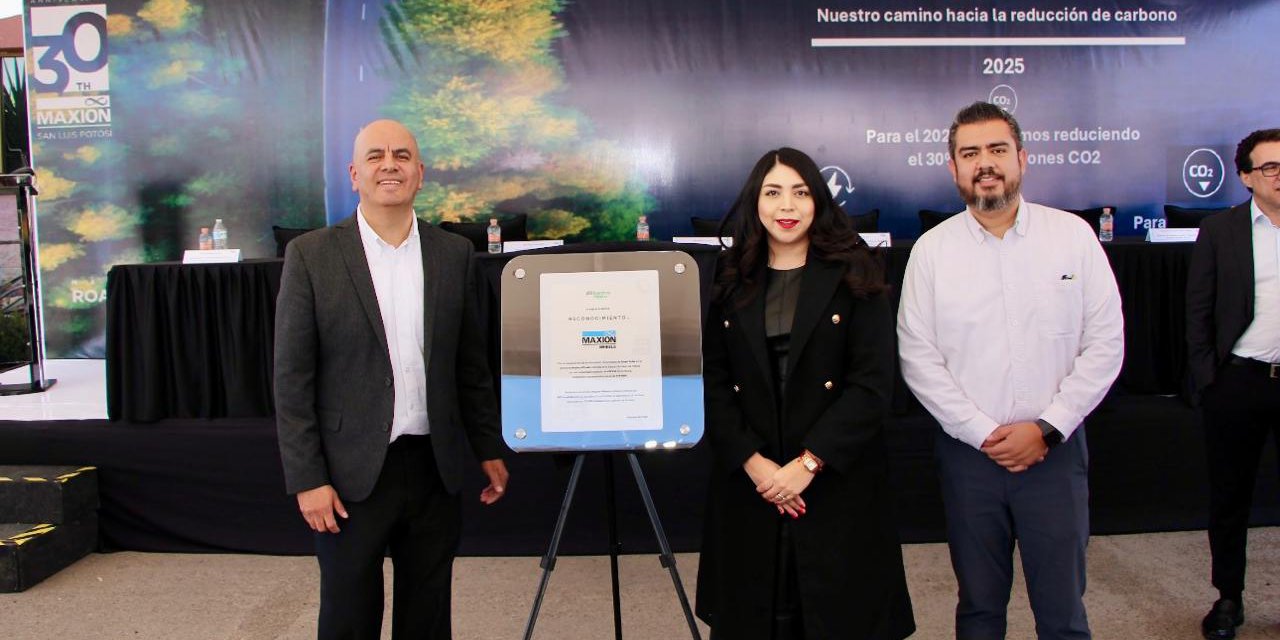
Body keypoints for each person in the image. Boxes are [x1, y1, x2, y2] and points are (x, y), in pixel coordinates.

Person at [274, 119, 510, 639]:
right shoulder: (311, 256)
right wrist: (308, 479)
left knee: (428, 616)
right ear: (354, 174)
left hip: (434, 468)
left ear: (419, 173)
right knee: (348, 618)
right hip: (349, 475)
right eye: (376, 156)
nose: (390, 165)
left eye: (402, 156)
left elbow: (469, 366)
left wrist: (487, 446)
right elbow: (292, 381)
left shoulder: (453, 254)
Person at [897, 102, 1124, 640]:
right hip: (970, 459)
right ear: (953, 167)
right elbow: (918, 357)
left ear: (1021, 158)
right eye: (970, 153)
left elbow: (1105, 344)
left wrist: (1046, 428)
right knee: (979, 607)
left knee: (1063, 612)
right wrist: (982, 433)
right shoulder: (931, 252)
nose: (985, 163)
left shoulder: (1073, 237)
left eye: (997, 150)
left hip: (1054, 455)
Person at [696, 147, 916, 639]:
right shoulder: (728, 277)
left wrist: (808, 464)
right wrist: (755, 464)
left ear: (818, 200)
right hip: (753, 483)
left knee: (838, 618)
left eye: (799, 192)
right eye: (773, 193)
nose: (786, 206)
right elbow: (712, 380)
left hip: (835, 480)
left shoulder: (857, 271)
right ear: (755, 202)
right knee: (754, 615)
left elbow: (872, 385)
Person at [1186, 128, 1280, 640]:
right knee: (1230, 497)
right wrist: (1209, 379)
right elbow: (1197, 310)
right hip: (1239, 382)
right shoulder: (1220, 230)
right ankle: (1228, 598)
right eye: (1270, 167)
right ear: (1245, 177)